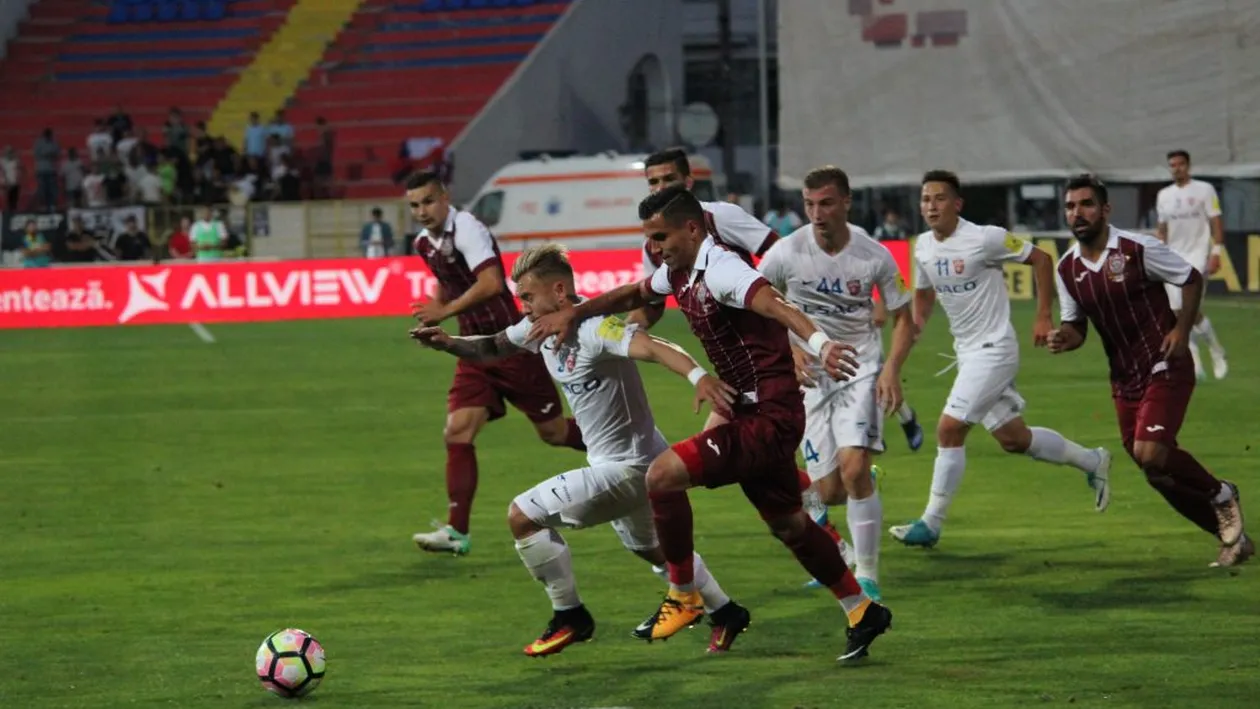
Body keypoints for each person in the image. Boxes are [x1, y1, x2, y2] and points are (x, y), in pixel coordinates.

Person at [529, 186, 893, 664]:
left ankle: (684, 595)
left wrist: (820, 345)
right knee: (789, 524)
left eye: (661, 237)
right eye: (649, 238)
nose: (653, 247)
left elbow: (777, 305)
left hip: (769, 414)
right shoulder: (679, 271)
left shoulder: (721, 269)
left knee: (663, 474)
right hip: (750, 410)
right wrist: (577, 310)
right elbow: (636, 292)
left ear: (692, 229)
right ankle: (862, 610)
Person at [411, 244, 752, 656]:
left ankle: (570, 614)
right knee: (657, 551)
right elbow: (493, 346)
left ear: (559, 291)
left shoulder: (595, 328)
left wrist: (699, 377)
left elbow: (653, 347)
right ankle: (726, 611)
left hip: (628, 468)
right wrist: (448, 342)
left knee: (522, 516)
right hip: (631, 461)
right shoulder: (537, 327)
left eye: (528, 296)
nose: (523, 306)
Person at [890, 170, 1112, 548]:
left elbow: (1042, 259)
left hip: (994, 350)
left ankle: (931, 522)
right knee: (1014, 438)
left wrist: (1043, 315)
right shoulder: (923, 246)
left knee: (949, 428)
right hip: (967, 353)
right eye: (926, 199)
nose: (931, 206)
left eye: (940, 198)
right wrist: (918, 324)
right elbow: (924, 294)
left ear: (957, 204)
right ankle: (1093, 461)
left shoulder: (985, 238)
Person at [1050, 175, 1248, 566]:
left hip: (1165, 362)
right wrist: (1064, 338)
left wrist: (1181, 330)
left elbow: (1190, 279)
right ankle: (1233, 539)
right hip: (1124, 380)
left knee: (1151, 452)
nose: (1078, 213)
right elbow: (1076, 327)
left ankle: (1222, 494)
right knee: (1155, 472)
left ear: (1105, 210)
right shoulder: (1066, 268)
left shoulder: (1137, 248)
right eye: (1071, 206)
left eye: (1087, 204)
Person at [758, 166, 919, 601]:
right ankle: (862, 477)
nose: (817, 213)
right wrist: (789, 351)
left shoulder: (874, 255)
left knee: (852, 469)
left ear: (846, 202)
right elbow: (755, 303)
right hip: (810, 376)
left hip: (858, 368)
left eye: (826, 203)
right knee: (828, 492)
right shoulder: (786, 252)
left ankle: (867, 576)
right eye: (809, 204)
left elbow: (904, 318)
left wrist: (891, 369)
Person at [404, 171, 585, 555]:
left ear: (445, 198)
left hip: (512, 343)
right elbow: (448, 281)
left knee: (553, 433)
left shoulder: (467, 228)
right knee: (457, 431)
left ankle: (629, 448)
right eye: (414, 205)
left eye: (428, 201)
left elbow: (491, 283)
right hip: (473, 349)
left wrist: (444, 311)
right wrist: (437, 307)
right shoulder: (423, 242)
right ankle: (457, 532)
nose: (422, 211)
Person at [628, 148, 780, 331]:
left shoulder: (720, 216)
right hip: (719, 343)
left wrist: (762, 292)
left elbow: (780, 254)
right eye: (653, 181)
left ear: (688, 182)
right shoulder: (652, 246)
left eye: (669, 179)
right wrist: (619, 333)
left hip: (765, 334)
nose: (660, 188)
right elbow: (653, 306)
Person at [1156, 150, 1228, 381]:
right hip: (1172, 257)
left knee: (1189, 309)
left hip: (1197, 255)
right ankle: (1195, 363)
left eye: (1180, 164)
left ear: (1188, 166)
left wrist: (1216, 252)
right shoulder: (1164, 195)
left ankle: (1216, 351)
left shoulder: (1204, 190)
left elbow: (1216, 222)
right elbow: (1162, 229)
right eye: (1173, 165)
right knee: (1178, 312)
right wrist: (1158, 255)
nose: (1177, 168)